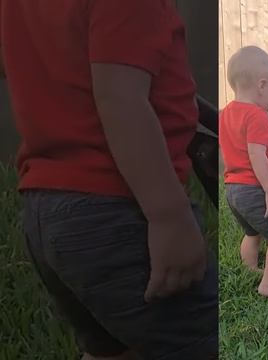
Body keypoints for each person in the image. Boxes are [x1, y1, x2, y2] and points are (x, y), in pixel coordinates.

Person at [0, 1, 217, 359]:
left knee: (115, 351)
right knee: (204, 340)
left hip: (46, 209)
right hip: (117, 210)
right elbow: (121, 101)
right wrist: (170, 217)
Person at [219, 46, 268, 300]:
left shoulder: (227, 113)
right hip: (255, 188)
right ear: (262, 85)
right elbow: (256, 154)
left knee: (253, 232)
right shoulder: (257, 116)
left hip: (233, 190)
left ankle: (250, 269)